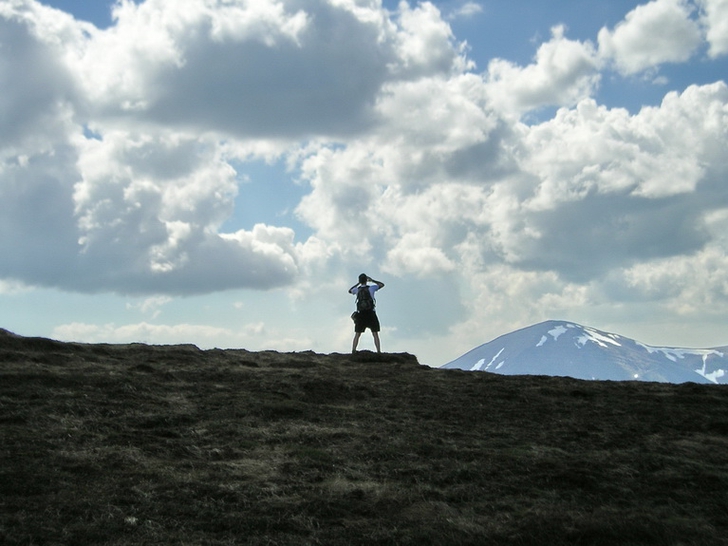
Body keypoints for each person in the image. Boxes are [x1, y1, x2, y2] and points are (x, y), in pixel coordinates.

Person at [349, 273, 385, 353]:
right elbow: (382, 284)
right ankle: (378, 351)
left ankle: (353, 350)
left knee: (357, 333)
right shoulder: (371, 288)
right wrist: (372, 280)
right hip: (371, 313)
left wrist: (358, 283)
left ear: (359, 280)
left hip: (361, 314)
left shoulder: (357, 290)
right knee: (375, 333)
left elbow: (350, 290)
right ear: (366, 280)